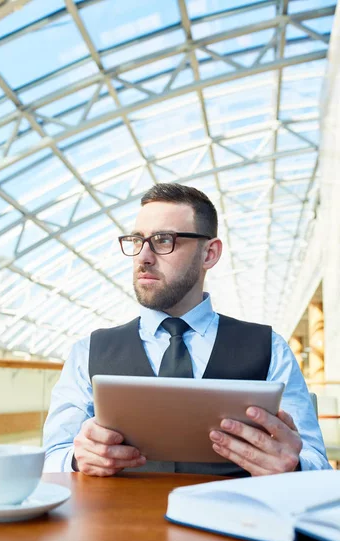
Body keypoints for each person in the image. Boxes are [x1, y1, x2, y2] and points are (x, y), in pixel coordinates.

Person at [43, 183, 330, 477]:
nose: (143, 257)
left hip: (235, 520)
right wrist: (77, 459)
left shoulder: (271, 349)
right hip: (116, 522)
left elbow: (317, 462)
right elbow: (52, 458)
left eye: (163, 240)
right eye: (137, 241)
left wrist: (294, 466)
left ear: (209, 254)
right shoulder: (87, 351)